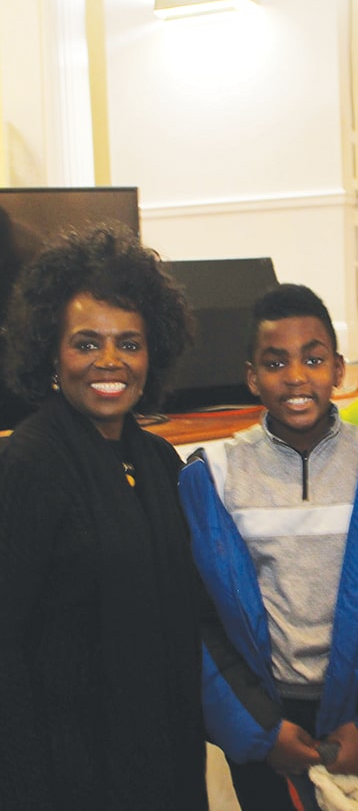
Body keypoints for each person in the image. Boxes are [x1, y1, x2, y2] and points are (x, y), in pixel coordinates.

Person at [178, 283, 358, 811]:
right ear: (252, 377)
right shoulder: (214, 476)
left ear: (338, 370)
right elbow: (193, 620)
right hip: (274, 722)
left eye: (313, 359)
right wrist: (260, 730)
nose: (296, 376)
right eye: (275, 363)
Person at [0, 225, 209, 810]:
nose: (110, 361)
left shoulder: (159, 460)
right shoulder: (31, 462)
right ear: (51, 352)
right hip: (69, 776)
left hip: (165, 758)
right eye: (87, 343)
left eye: (129, 344)